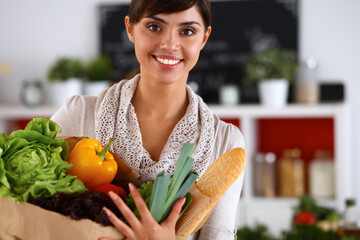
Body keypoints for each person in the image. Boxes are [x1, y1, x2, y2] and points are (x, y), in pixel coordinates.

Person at [51, 0, 245, 239]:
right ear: (130, 29)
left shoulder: (225, 142)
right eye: (154, 27)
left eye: (187, 31)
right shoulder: (78, 114)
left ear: (204, 38)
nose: (170, 44)